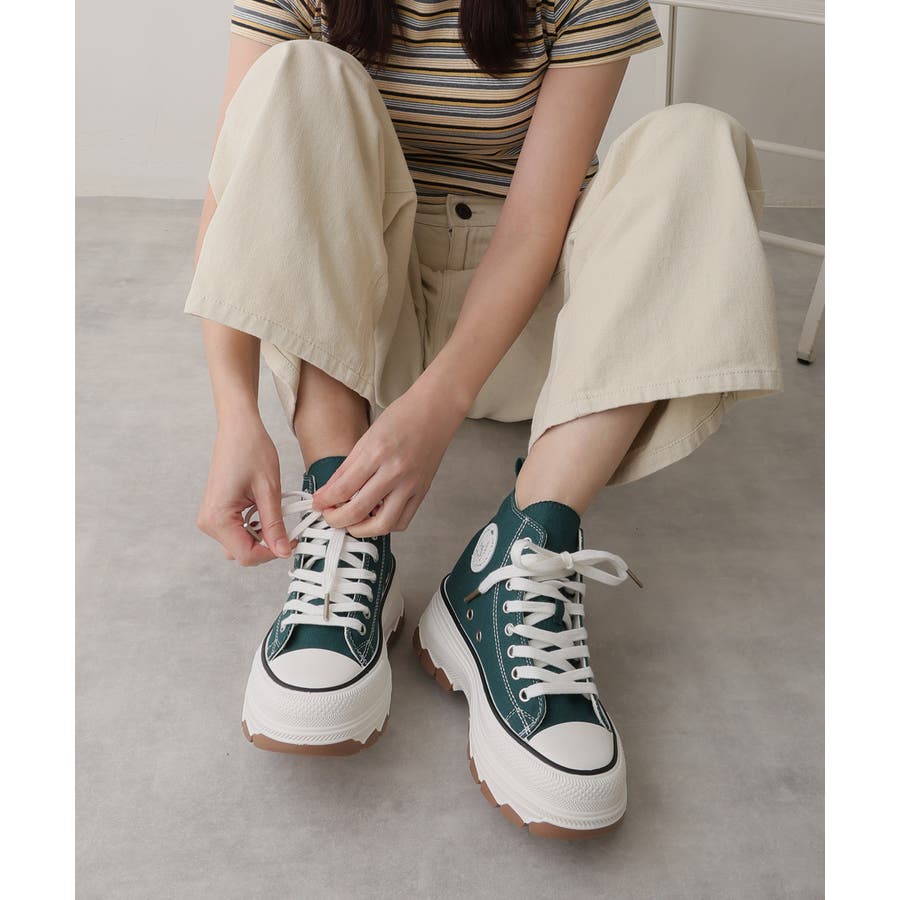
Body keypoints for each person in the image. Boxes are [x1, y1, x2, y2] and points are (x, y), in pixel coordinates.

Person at [185, 0, 782, 838]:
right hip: (368, 321)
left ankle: (525, 549)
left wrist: (441, 404)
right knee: (298, 75)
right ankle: (344, 513)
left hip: (536, 333)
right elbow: (237, 187)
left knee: (697, 139)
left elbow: (536, 222)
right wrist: (235, 413)